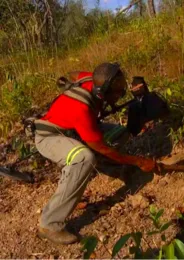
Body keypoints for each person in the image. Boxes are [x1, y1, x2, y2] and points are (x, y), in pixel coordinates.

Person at [34, 62, 156, 245]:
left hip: (74, 130)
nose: (121, 93)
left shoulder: (91, 79)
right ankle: (49, 224)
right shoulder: (81, 109)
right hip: (49, 136)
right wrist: (138, 161)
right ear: (102, 92)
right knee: (84, 158)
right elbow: (102, 147)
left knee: (120, 134)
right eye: (117, 91)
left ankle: (111, 169)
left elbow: (73, 72)